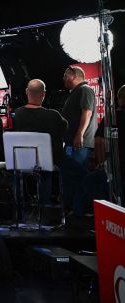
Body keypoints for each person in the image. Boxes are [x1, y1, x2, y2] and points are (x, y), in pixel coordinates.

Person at [12, 79, 68, 213]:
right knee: (56, 170)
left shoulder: (17, 114)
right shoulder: (53, 115)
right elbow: (65, 129)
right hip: (47, 164)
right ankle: (46, 210)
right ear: (43, 94)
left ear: (26, 92)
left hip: (21, 162)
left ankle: (21, 210)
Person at [61, 66, 97, 222]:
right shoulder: (75, 92)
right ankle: (73, 212)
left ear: (74, 76)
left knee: (79, 177)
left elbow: (87, 112)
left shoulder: (85, 90)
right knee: (71, 176)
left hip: (79, 144)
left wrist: (79, 135)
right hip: (72, 143)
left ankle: (79, 213)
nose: (63, 78)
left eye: (65, 75)